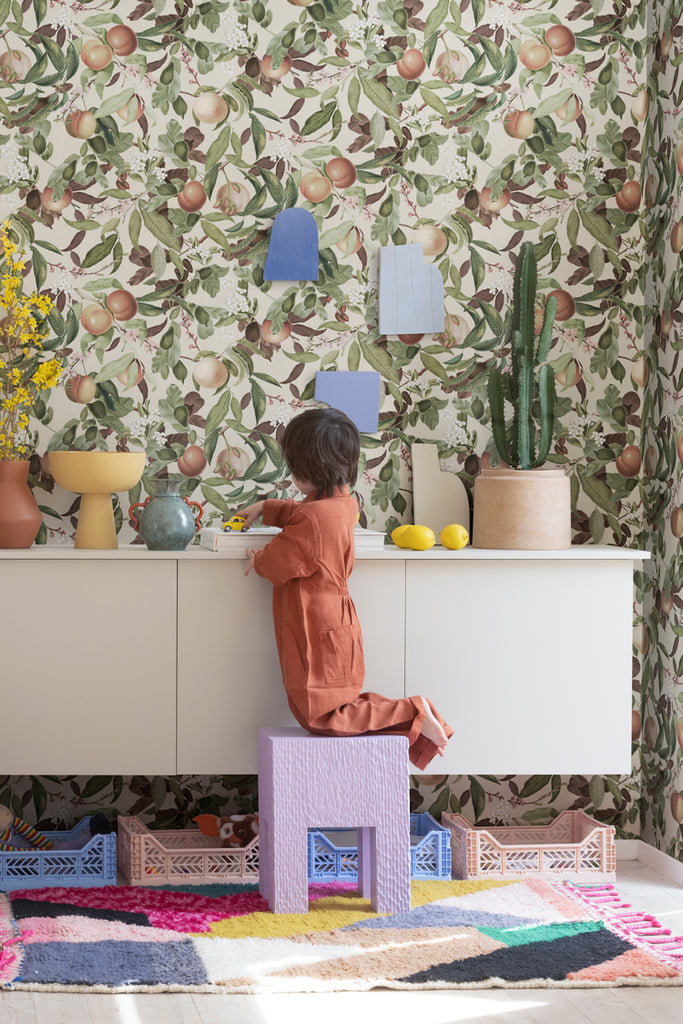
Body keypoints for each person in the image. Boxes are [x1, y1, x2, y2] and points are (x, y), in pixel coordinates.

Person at [240, 407, 452, 771]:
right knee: (336, 706)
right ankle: (414, 719)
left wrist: (257, 558)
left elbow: (279, 563)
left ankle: (413, 710)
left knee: (319, 716)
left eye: (294, 470)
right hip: (336, 623)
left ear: (310, 470)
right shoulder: (342, 505)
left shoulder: (313, 518)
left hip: (316, 628)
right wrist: (266, 508)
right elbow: (303, 514)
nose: (293, 478)